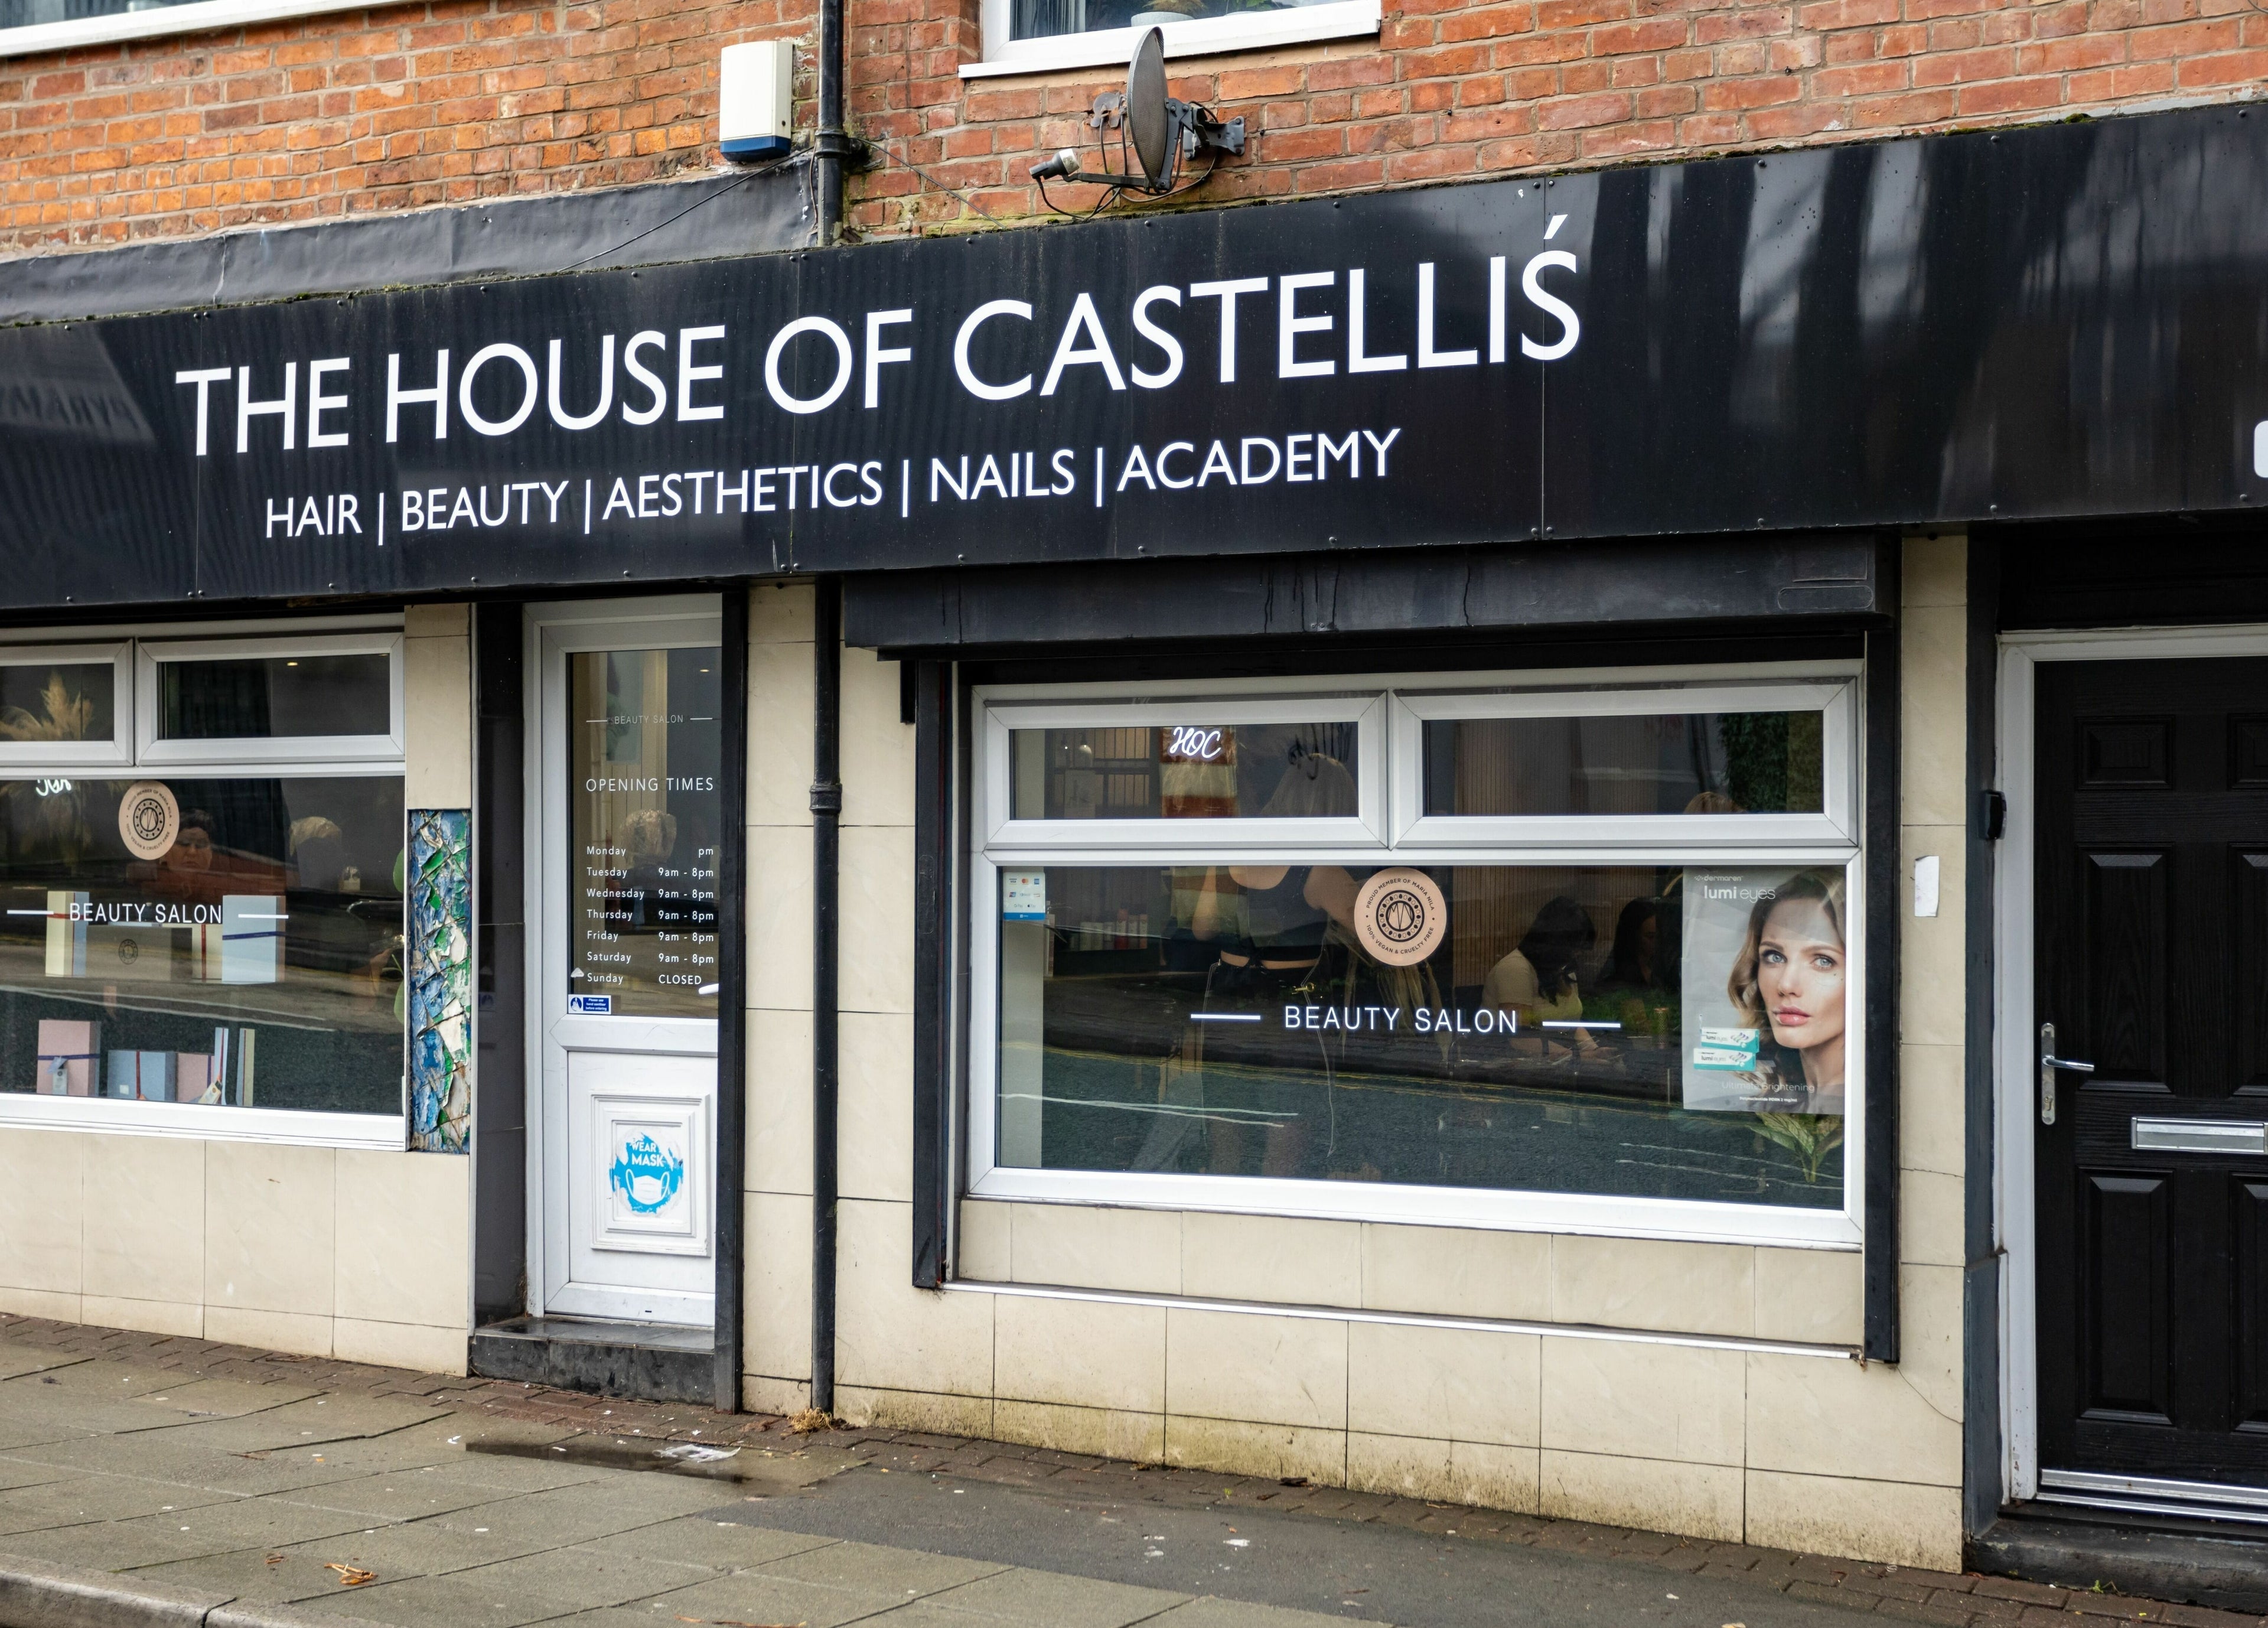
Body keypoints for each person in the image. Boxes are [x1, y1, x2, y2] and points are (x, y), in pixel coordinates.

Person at [1727, 869, 1846, 1113]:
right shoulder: (1780, 1099)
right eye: (1775, 956)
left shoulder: (1861, 1105)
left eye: (1823, 961)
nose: (1786, 985)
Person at [1482, 896, 1593, 1025]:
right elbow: (1520, 1038)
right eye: (1574, 946)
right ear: (1555, 941)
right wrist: (1566, 1047)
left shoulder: (1563, 969)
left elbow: (1572, 1025)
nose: (1578, 953)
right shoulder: (1515, 969)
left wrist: (1592, 1046)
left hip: (1559, 1044)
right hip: (1518, 1045)